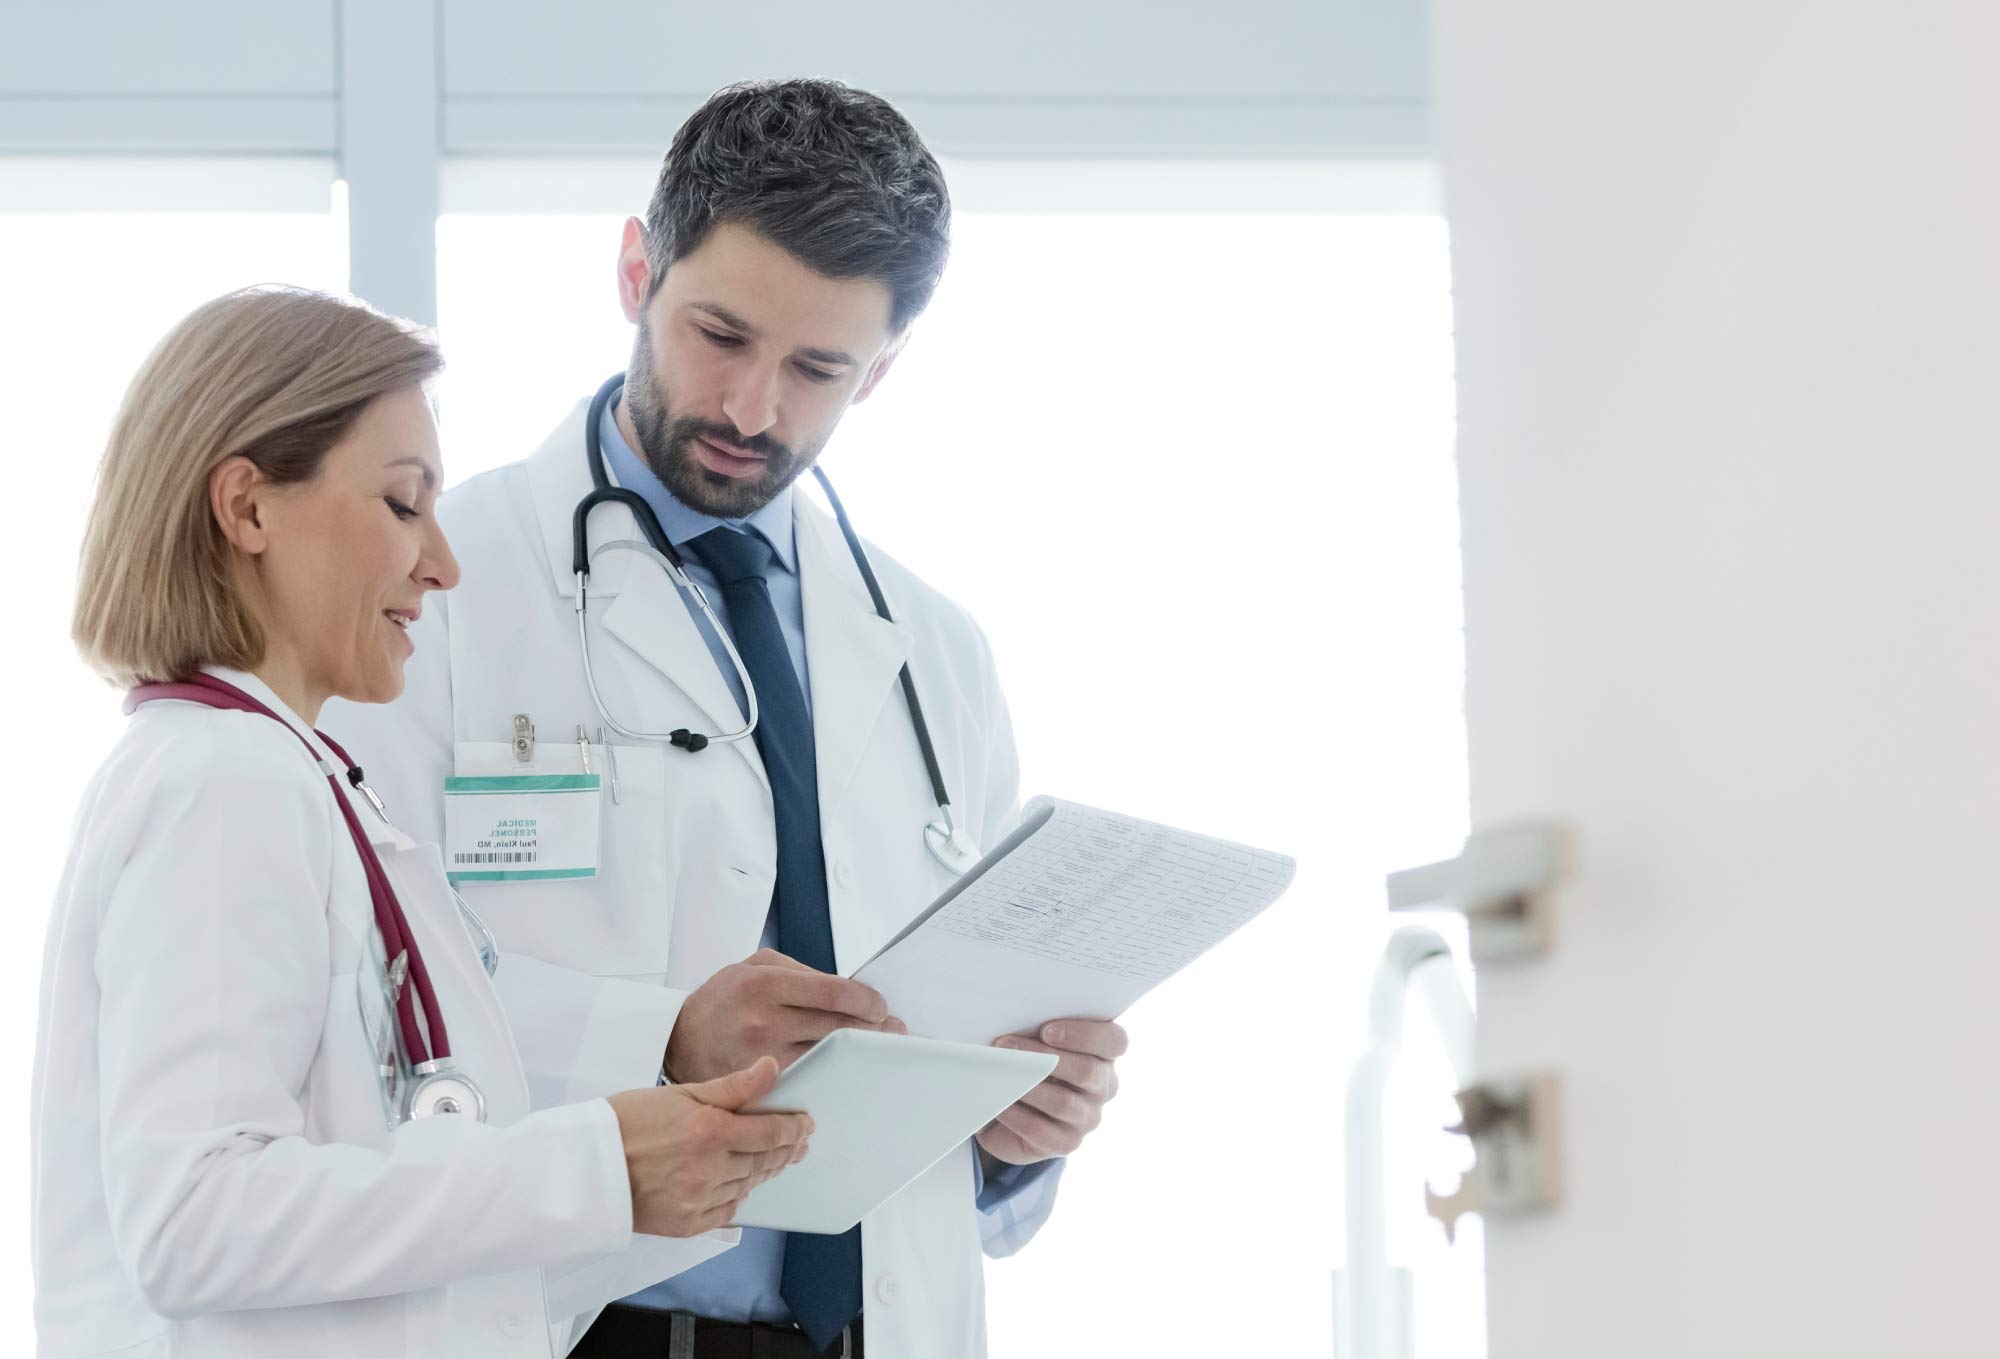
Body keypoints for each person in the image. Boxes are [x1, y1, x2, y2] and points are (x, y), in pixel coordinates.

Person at [328, 79, 1128, 1359]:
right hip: (579, 1319)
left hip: (882, 1324)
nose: (753, 410)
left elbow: (964, 1036)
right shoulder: (439, 587)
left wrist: (1014, 1129)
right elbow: (356, 992)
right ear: (637, 267)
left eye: (819, 368)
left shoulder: (935, 650)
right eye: (720, 335)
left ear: (884, 368)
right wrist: (658, 1036)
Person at [32, 286, 817, 1359]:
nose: (443, 566)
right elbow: (196, 1221)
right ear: (249, 509)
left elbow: (423, 1265)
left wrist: (661, 1183)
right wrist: (591, 1167)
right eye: (404, 506)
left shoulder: (301, 786)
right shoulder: (220, 783)